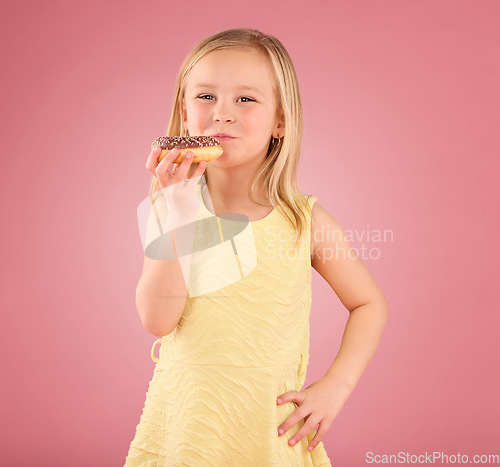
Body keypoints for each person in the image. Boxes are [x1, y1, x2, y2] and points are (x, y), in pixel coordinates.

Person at [125, 28, 388, 466]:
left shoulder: (305, 222)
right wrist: (179, 207)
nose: (222, 114)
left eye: (245, 100)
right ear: (184, 113)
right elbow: (157, 319)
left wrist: (336, 386)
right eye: (205, 97)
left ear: (280, 121)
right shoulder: (169, 210)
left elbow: (368, 303)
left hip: (268, 430)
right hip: (187, 426)